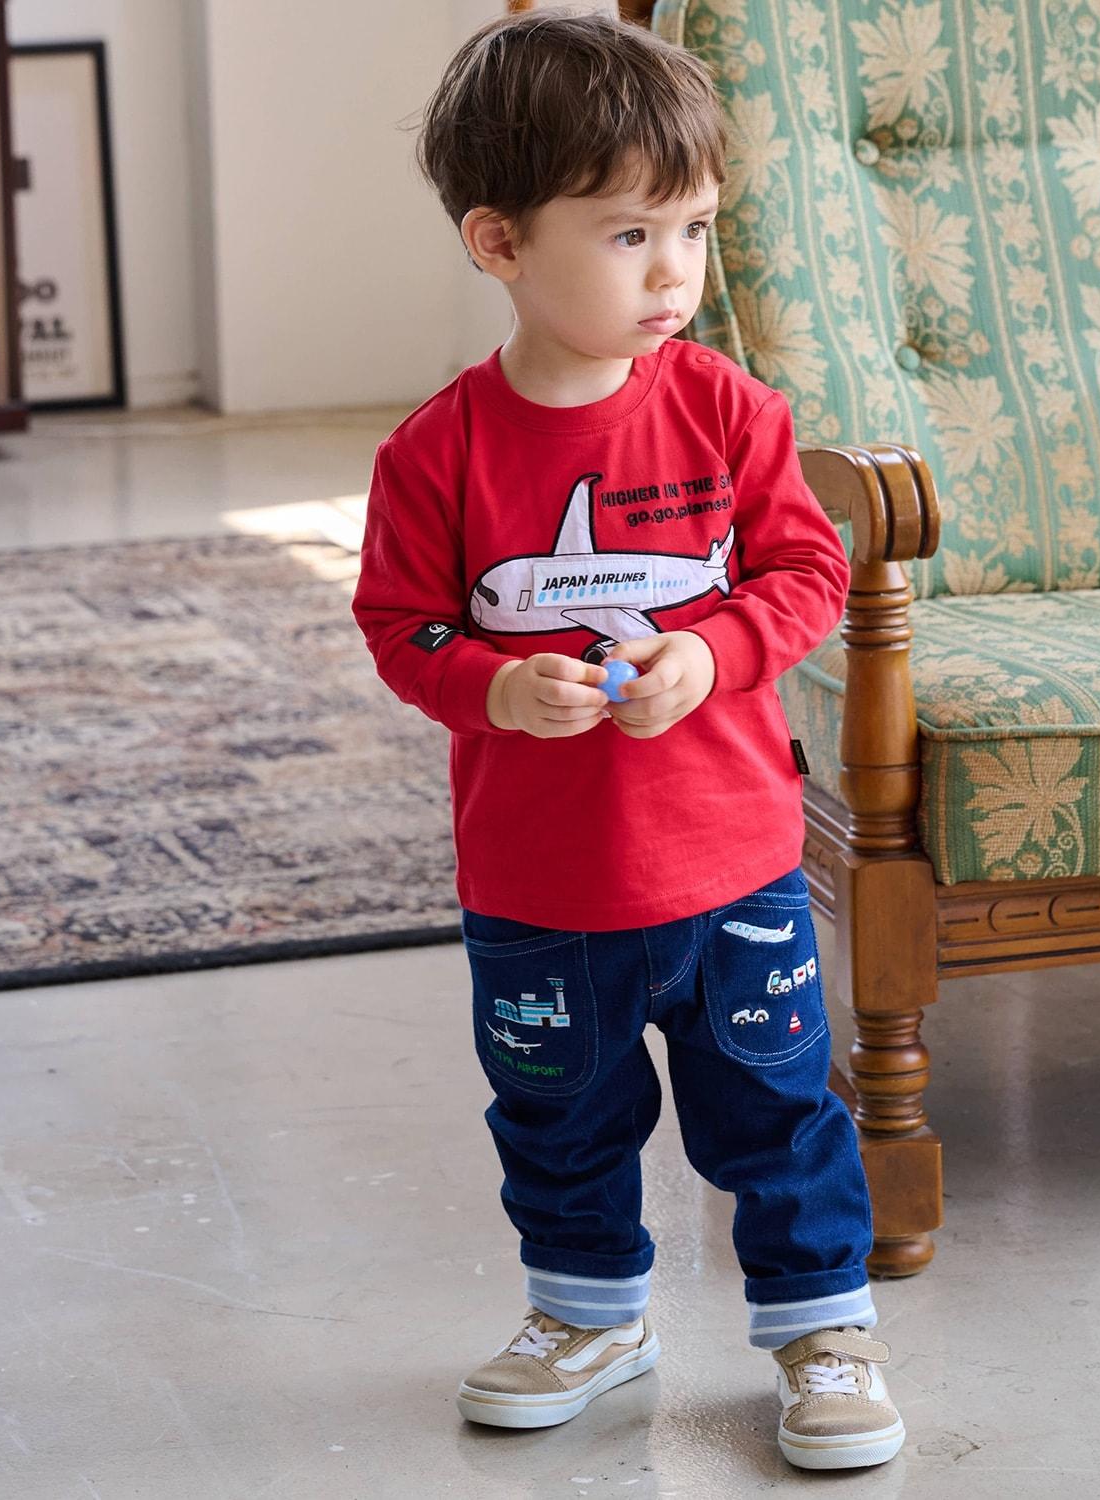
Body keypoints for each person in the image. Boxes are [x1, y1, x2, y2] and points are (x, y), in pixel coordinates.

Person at [350, 6, 903, 1472]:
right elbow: (401, 627)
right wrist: (492, 688)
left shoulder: (730, 411)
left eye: (695, 229)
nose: (675, 272)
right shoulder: (434, 453)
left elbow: (809, 573)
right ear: (499, 242)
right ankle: (589, 1316)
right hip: (539, 889)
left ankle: (824, 1327)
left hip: (733, 867)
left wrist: (712, 653)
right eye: (628, 235)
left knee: (779, 1111)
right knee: (557, 1121)